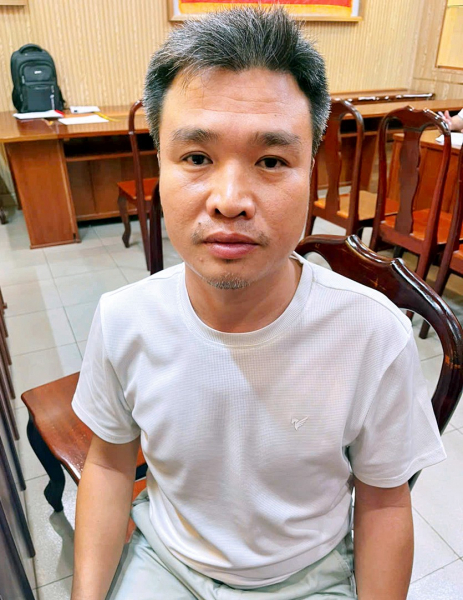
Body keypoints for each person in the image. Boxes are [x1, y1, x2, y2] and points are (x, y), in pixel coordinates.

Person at [70, 7, 446, 600]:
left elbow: (383, 501)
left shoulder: (374, 335)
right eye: (197, 158)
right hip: (167, 561)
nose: (230, 200)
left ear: (311, 171)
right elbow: (109, 464)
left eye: (271, 161)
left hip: (308, 576)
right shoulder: (123, 319)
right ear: (159, 166)